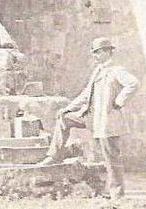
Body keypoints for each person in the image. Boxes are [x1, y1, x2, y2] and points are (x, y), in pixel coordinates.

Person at [39, 37, 140, 197]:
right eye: (94, 52)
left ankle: (116, 195)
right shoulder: (98, 70)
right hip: (91, 118)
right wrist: (67, 109)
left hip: (107, 121)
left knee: (111, 159)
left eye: (98, 52)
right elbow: (86, 94)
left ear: (108, 52)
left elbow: (133, 83)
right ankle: (55, 156)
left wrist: (119, 102)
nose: (95, 55)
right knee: (64, 119)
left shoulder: (116, 70)